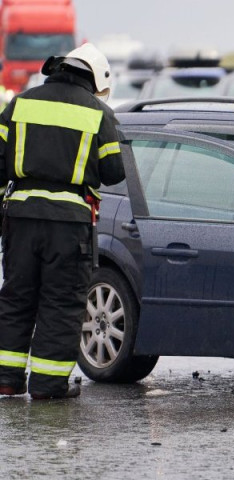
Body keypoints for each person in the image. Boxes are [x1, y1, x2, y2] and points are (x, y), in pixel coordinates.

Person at [0, 43, 124, 400]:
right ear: (94, 78)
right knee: (61, 303)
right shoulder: (98, 113)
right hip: (68, 225)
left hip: (20, 218)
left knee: (16, 297)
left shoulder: (21, 103)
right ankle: (47, 385)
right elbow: (113, 172)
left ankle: (6, 381)